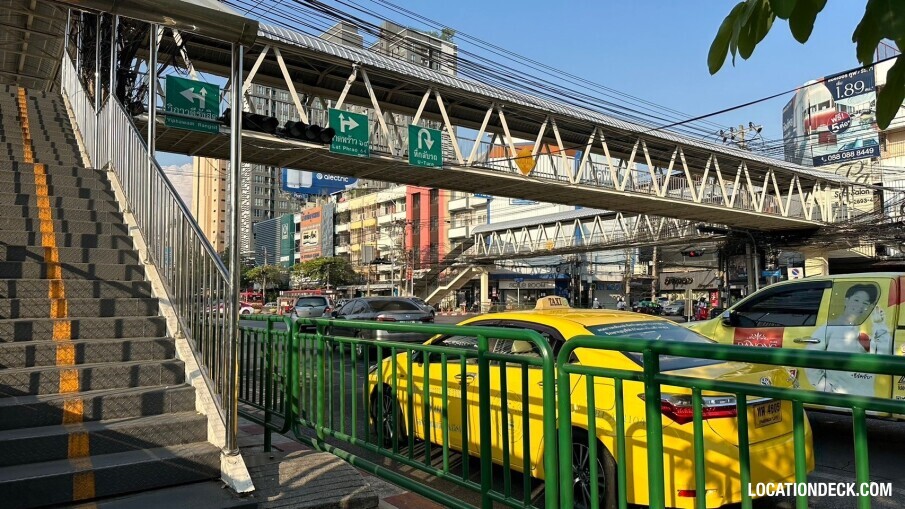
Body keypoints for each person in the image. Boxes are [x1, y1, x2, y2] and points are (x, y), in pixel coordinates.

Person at [799, 284, 891, 396]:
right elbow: (810, 362)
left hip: (867, 402)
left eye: (865, 303)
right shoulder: (829, 328)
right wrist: (827, 390)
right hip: (841, 402)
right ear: (846, 300)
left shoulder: (863, 330)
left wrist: (879, 324)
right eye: (856, 300)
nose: (860, 305)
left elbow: (885, 356)